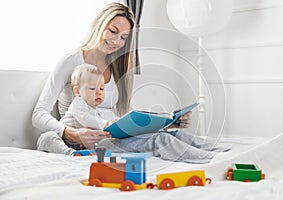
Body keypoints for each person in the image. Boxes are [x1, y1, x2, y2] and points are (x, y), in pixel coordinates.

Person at [32, 2, 229, 163]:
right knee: (159, 141)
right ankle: (213, 160)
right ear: (100, 24)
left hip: (114, 134)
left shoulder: (118, 66)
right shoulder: (71, 62)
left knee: (173, 134)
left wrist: (166, 123)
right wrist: (72, 133)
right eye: (113, 31)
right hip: (93, 139)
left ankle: (225, 152)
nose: (117, 41)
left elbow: (124, 115)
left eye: (124, 37)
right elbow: (39, 114)